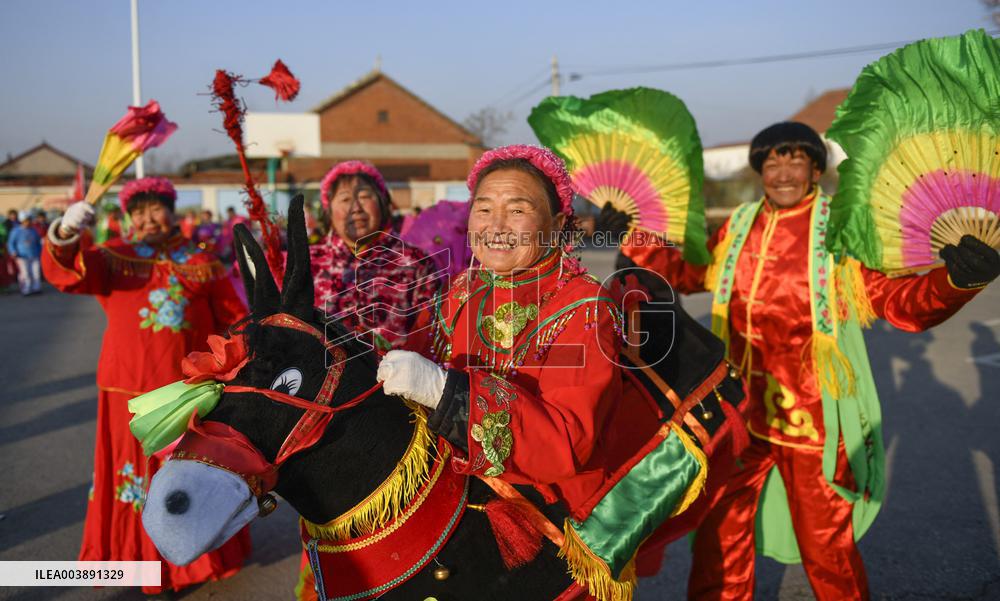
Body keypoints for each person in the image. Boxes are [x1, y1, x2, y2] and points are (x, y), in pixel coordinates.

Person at [607, 122, 999, 600]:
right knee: (716, 543)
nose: (783, 172)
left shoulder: (843, 230)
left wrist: (955, 281)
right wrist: (635, 236)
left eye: (795, 160)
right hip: (737, 412)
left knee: (828, 550)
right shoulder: (740, 223)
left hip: (814, 422)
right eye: (772, 162)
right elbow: (687, 274)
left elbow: (897, 300)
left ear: (816, 168)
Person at [377, 145, 704, 599]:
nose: (496, 226)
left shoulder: (583, 308)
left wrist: (447, 390)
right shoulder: (460, 291)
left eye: (518, 210)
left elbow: (566, 441)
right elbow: (406, 367)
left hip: (555, 530)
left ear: (555, 227)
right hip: (463, 517)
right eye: (484, 208)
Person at [41, 176, 252, 594]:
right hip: (126, 397)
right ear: (128, 218)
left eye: (156, 208)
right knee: (131, 482)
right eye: (138, 212)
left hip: (186, 397)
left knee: (186, 479)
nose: (148, 218)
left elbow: (233, 319)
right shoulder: (113, 258)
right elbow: (67, 273)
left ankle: (189, 560)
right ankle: (133, 564)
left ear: (172, 210)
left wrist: (235, 369)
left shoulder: (202, 261)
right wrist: (65, 232)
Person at [310, 160, 441, 349]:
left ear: (382, 203)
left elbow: (431, 332)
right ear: (328, 211)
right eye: (345, 199)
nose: (356, 208)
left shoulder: (416, 262)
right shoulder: (307, 262)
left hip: (395, 375)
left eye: (364, 196)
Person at [7, 210, 43, 295]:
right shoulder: (16, 231)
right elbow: (11, 243)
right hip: (22, 256)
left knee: (36, 272)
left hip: (34, 255)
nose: (28, 222)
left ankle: (36, 288)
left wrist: (40, 252)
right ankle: (26, 289)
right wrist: (13, 252)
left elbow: (38, 242)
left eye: (29, 220)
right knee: (25, 273)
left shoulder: (33, 230)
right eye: (27, 221)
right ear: (22, 221)